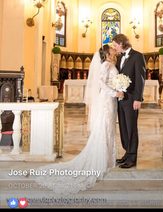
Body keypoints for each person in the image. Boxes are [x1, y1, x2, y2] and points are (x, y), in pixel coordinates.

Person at [33, 45, 123, 195]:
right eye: (112, 49)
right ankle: (101, 161)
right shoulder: (106, 65)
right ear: (107, 53)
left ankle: (107, 159)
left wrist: (117, 89)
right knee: (105, 127)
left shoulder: (110, 64)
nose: (115, 49)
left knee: (109, 128)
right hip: (106, 101)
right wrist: (115, 93)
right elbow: (101, 83)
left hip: (110, 101)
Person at [112, 34, 146, 168]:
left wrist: (138, 98)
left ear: (121, 43)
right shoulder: (119, 57)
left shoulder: (138, 56)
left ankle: (132, 157)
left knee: (131, 128)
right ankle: (127, 153)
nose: (114, 48)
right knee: (123, 127)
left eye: (115, 45)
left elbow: (140, 79)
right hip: (121, 99)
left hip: (132, 99)